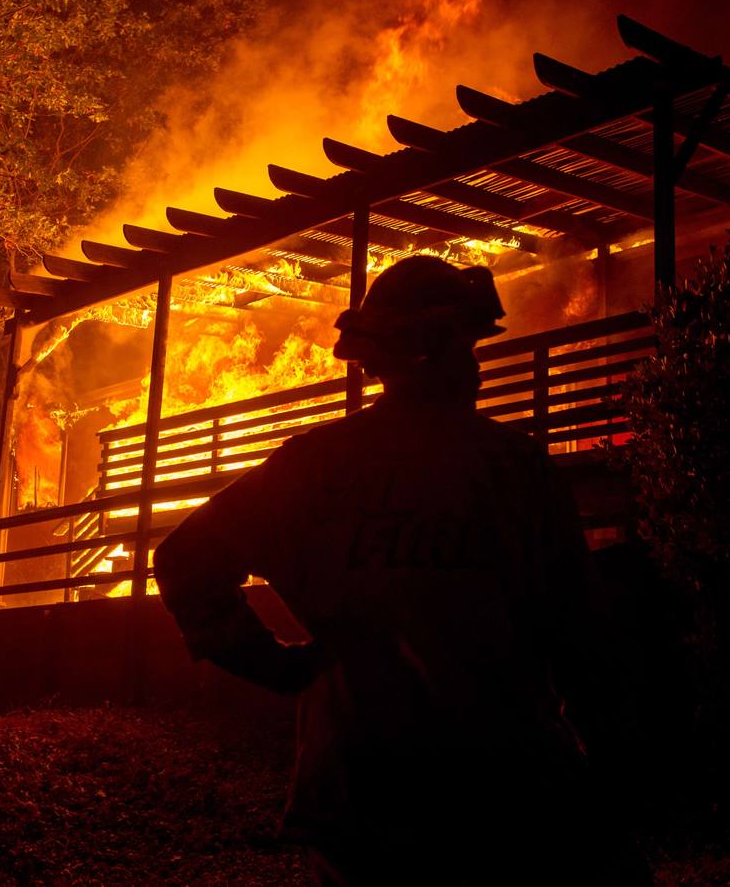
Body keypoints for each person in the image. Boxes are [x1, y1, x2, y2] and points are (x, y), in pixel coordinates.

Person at [154, 256, 650, 884]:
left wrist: (279, 667)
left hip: (359, 802)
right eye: (465, 345)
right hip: (501, 800)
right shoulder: (517, 472)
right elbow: (584, 646)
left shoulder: (314, 467)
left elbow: (184, 560)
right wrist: (608, 776)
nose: (474, 365)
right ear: (434, 351)